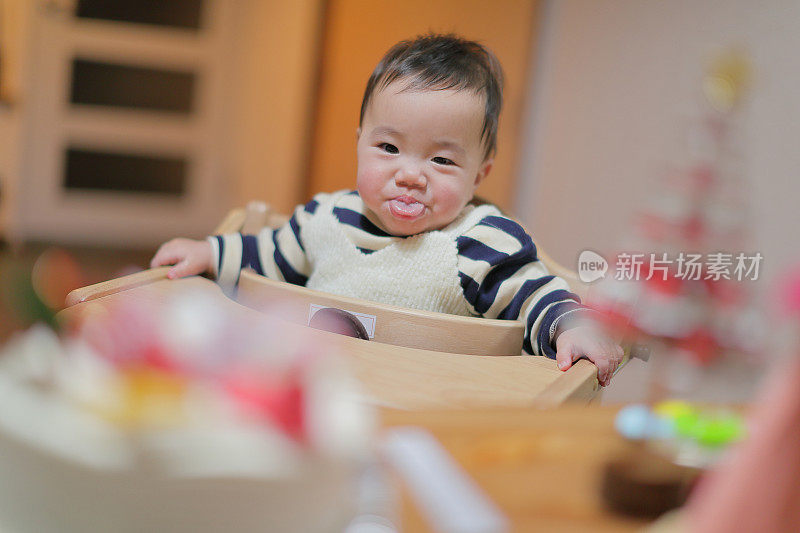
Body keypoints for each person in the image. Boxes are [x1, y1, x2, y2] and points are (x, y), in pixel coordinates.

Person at [151, 34, 623, 386]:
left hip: (428, 413)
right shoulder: (325, 219)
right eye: (389, 147)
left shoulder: (481, 241)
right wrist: (210, 253)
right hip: (319, 401)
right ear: (359, 142)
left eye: (441, 159)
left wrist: (571, 326)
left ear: (479, 174)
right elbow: (266, 256)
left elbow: (534, 294)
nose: (411, 174)